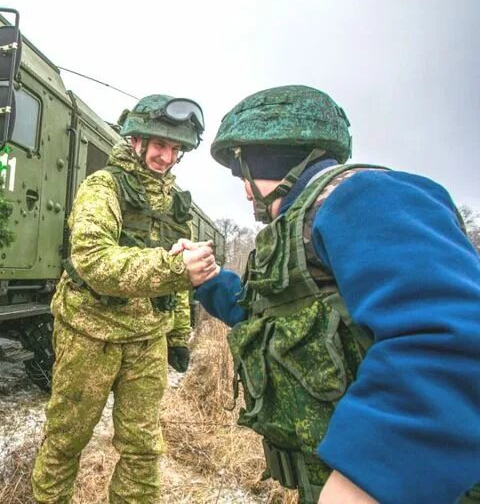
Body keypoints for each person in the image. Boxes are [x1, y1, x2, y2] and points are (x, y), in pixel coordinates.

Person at [191, 85, 480, 503]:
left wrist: (372, 475)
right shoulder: (299, 224)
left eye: (243, 175)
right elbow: (268, 318)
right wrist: (211, 282)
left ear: (266, 160)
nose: (245, 191)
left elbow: (452, 340)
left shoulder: (364, 197)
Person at [31, 94, 218, 503]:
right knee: (65, 442)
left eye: (174, 149)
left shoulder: (174, 203)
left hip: (147, 339)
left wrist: (179, 336)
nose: (166, 156)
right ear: (137, 140)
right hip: (90, 335)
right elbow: (92, 259)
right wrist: (172, 268)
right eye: (159, 145)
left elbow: (178, 279)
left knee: (143, 450)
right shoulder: (104, 187)